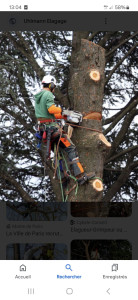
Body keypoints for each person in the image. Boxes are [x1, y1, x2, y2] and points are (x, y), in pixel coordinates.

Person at [35, 75, 94, 184]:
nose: (54, 89)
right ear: (51, 84)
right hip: (53, 130)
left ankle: (62, 178)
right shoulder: (48, 94)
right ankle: (80, 175)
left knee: (58, 153)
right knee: (70, 148)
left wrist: (64, 115)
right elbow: (51, 109)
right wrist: (61, 110)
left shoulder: (38, 97)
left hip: (44, 131)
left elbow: (49, 114)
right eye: (53, 87)